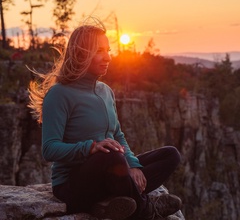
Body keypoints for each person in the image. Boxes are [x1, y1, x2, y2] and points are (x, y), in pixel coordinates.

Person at [28, 17, 182, 220]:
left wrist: (133, 165)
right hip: (72, 186)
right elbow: (49, 149)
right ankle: (147, 210)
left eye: (108, 50)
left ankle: (111, 204)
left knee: (170, 155)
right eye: (99, 51)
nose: (108, 57)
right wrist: (90, 147)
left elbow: (117, 134)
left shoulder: (106, 91)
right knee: (111, 155)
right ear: (81, 53)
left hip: (112, 173)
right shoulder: (59, 94)